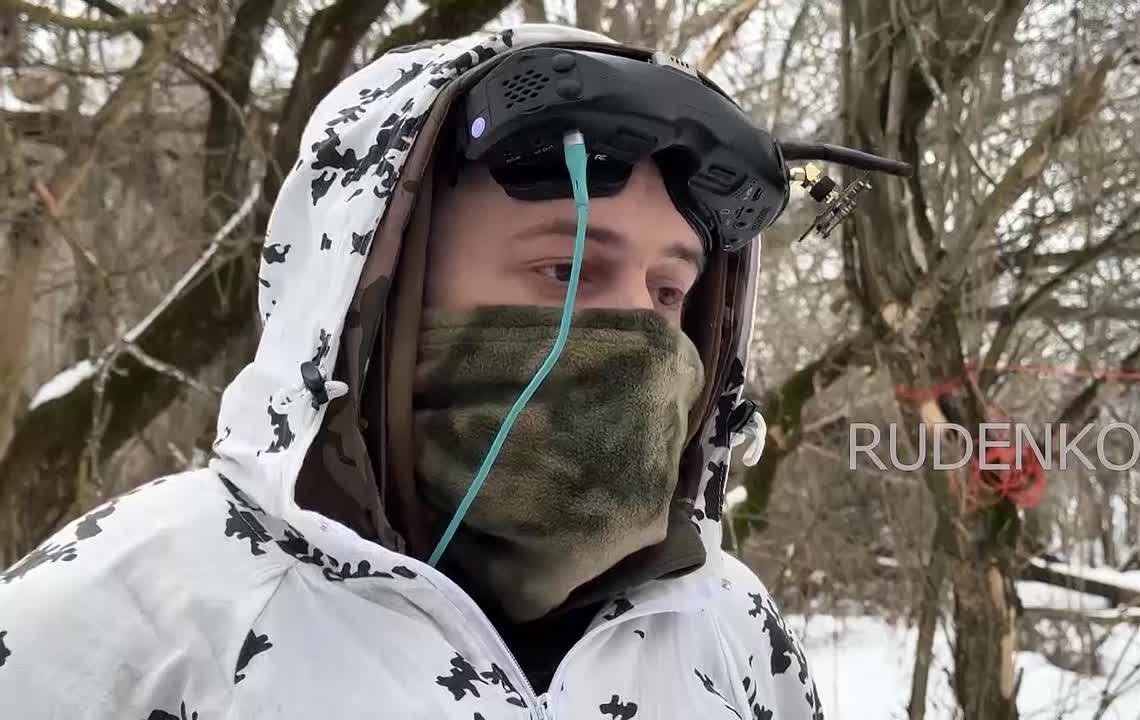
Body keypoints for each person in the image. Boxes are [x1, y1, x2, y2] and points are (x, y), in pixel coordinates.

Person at [0, 23, 824, 719]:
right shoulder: (126, 622)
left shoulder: (730, 630)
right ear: (376, 291)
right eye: (567, 270)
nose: (638, 332)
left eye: (669, 291)